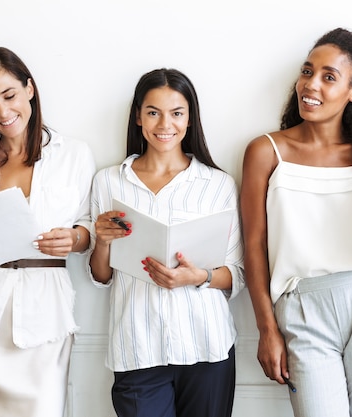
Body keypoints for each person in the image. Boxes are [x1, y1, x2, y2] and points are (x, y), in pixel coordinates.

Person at [240, 28, 352, 417]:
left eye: (329, 76)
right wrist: (267, 329)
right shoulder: (266, 151)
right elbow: (253, 246)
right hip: (300, 306)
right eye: (307, 71)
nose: (310, 84)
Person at [0, 47, 95, 417]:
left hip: (45, 319)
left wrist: (76, 238)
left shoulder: (73, 154)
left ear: (30, 89)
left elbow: (90, 224)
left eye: (9, 96)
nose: (2, 112)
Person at [88, 68, 245, 417]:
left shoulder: (217, 185)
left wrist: (198, 276)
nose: (165, 124)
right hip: (137, 349)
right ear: (138, 117)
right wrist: (101, 242)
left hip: (207, 347)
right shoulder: (109, 183)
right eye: (153, 112)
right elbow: (101, 276)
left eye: (176, 113)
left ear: (190, 119)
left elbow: (237, 273)